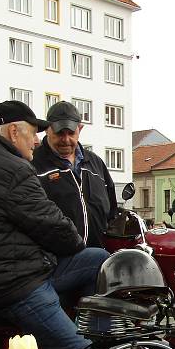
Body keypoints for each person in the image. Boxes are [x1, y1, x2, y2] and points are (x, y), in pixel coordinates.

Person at [0, 100, 108, 349]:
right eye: (33, 133)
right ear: (14, 133)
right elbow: (52, 225)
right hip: (14, 285)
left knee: (96, 257)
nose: (36, 142)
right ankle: (94, 347)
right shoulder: (14, 169)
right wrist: (74, 244)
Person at [33, 101, 118, 248]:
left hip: (100, 256)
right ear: (47, 129)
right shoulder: (34, 164)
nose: (66, 140)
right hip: (58, 261)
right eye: (59, 133)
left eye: (71, 133)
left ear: (80, 128)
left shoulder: (95, 163)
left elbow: (112, 211)